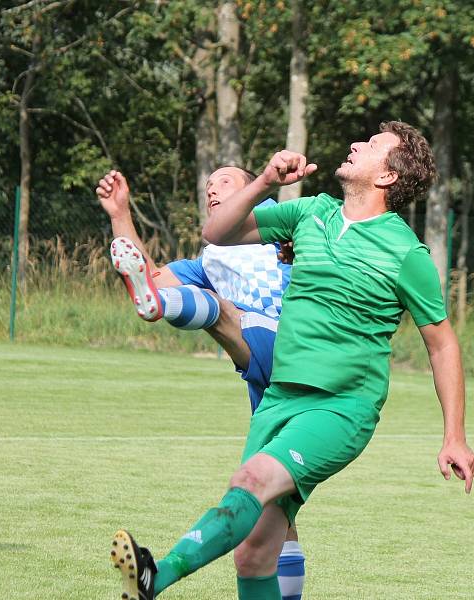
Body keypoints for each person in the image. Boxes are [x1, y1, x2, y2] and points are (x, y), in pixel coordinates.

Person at [109, 121, 474, 600]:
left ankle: (155, 576)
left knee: (250, 480)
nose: (355, 144)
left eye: (371, 146)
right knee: (255, 554)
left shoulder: (407, 253)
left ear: (387, 177)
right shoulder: (312, 212)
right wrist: (264, 182)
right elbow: (216, 233)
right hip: (279, 399)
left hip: (340, 408)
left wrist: (455, 436)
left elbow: (442, 344)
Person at [95, 167, 305, 600]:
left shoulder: (279, 219)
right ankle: (156, 305)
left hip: (289, 342)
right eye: (208, 185)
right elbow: (149, 273)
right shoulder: (212, 256)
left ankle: (160, 307)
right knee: (274, 521)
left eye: (225, 181)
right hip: (269, 384)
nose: (212, 187)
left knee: (215, 309)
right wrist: (120, 213)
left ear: (251, 189)